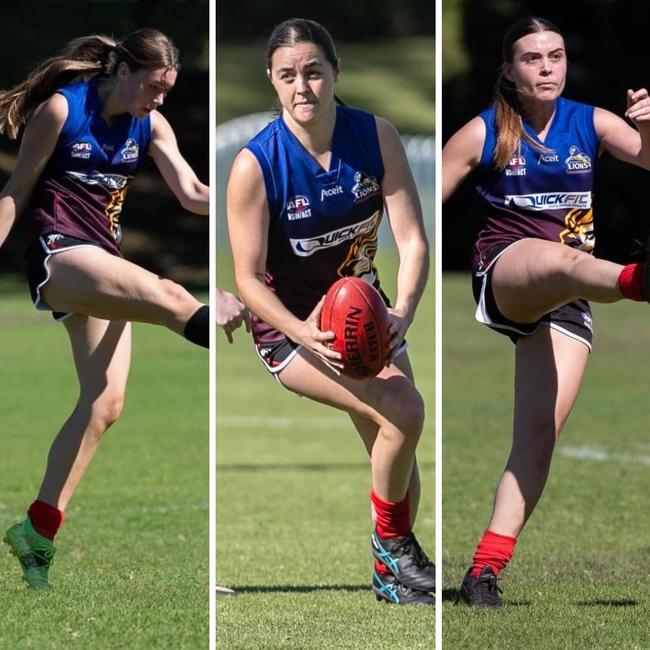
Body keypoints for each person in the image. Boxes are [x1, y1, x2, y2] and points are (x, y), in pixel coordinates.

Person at [442, 16, 650, 608]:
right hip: (506, 271)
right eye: (533, 59)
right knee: (560, 261)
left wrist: (649, 126)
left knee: (538, 435)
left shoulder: (590, 121)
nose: (547, 67)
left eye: (555, 56)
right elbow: (417, 205)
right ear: (509, 70)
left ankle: (482, 572)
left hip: (570, 293)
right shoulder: (484, 131)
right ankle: (638, 280)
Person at [226, 18, 434, 606]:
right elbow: (245, 279)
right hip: (290, 331)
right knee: (404, 410)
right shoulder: (255, 165)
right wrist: (303, 333)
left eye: (314, 72)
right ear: (271, 80)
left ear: (336, 72)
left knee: (399, 456)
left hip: (368, 316)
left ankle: (391, 572)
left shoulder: (377, 136)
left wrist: (404, 310)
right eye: (288, 75)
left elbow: (413, 240)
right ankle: (393, 555)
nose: (303, 87)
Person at [0, 28, 209, 590]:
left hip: (103, 263)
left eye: (167, 91)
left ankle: (36, 533)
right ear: (123, 71)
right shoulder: (62, 111)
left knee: (106, 404)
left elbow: (191, 194)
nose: (159, 100)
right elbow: (16, 192)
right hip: (59, 255)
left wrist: (258, 202)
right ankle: (259, 330)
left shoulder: (151, 124)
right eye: (154, 87)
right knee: (169, 296)